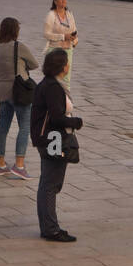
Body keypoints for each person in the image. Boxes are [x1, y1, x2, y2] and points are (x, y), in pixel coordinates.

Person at [31, 49, 82, 241]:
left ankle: (48, 225)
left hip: (48, 137)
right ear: (61, 66)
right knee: (51, 184)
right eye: (66, 63)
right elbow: (56, 117)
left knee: (49, 183)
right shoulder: (52, 87)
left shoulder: (48, 84)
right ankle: (50, 228)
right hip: (53, 138)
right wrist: (75, 122)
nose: (68, 66)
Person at [0, 17, 38, 178]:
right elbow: (34, 64)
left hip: (2, 90)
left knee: (3, 127)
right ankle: (19, 165)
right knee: (24, 127)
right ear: (15, 31)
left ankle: (1, 164)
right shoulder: (19, 46)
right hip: (19, 91)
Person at [43, 0, 78, 88]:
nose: (63, 1)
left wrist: (74, 40)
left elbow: (74, 29)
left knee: (66, 78)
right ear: (55, 1)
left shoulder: (69, 14)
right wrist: (63, 36)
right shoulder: (51, 15)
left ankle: (65, 99)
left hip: (68, 50)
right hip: (55, 50)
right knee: (54, 77)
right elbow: (46, 34)